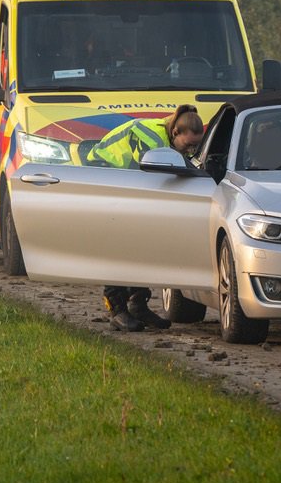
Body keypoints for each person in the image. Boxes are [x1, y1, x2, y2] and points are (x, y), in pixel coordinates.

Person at [86, 103, 205, 331]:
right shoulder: (152, 141)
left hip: (128, 182)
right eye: (189, 145)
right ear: (175, 133)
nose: (191, 150)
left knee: (142, 243)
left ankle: (138, 304)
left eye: (196, 146)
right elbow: (152, 177)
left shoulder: (168, 139)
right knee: (120, 246)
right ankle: (117, 310)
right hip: (105, 177)